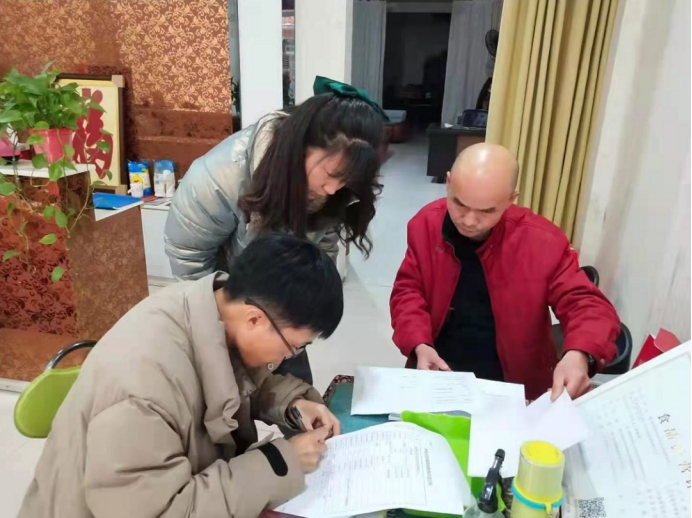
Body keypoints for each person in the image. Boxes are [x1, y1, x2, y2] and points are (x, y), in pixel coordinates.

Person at [19, 235, 344, 518]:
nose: (289, 357)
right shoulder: (142, 390)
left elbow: (229, 376)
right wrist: (281, 462)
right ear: (255, 319)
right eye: (294, 346)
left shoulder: (211, 307)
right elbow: (160, 512)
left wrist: (292, 402)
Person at [164, 80, 386, 386]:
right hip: (228, 310)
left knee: (296, 393)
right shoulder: (218, 178)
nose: (334, 189)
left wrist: (304, 318)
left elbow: (322, 252)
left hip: (283, 310)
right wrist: (222, 330)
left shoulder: (331, 193)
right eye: (331, 175)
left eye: (345, 180)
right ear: (302, 146)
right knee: (228, 393)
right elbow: (189, 264)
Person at [390, 143, 620, 401]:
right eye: (459, 204)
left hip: (514, 384)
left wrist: (579, 354)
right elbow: (408, 291)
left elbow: (587, 305)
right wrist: (419, 343)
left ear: (512, 199)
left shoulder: (541, 241)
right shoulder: (426, 224)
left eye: (487, 211)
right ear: (448, 183)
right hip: (438, 369)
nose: (469, 220)